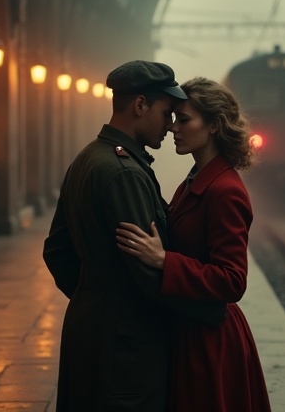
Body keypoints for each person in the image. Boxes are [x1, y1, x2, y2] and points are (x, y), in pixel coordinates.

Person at [43, 61, 226, 412]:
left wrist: (93, 299)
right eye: (166, 113)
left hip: (91, 329)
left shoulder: (88, 158)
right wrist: (209, 311)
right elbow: (146, 274)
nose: (170, 125)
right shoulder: (124, 172)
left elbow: (56, 251)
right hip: (128, 342)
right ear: (140, 105)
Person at [116, 76, 272, 412]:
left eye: (184, 120)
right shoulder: (196, 180)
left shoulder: (224, 190)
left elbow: (232, 280)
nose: (173, 128)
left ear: (214, 125)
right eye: (173, 119)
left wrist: (164, 260)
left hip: (211, 343)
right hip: (193, 331)